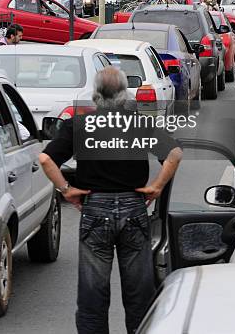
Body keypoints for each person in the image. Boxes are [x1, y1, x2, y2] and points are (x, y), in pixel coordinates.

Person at [39, 66, 183, 334]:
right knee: (139, 295)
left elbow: (46, 159)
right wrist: (156, 187)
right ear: (124, 94)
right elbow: (173, 154)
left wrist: (67, 189)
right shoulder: (139, 123)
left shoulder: (80, 125)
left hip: (95, 211)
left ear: (96, 95)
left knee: (93, 296)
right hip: (134, 210)